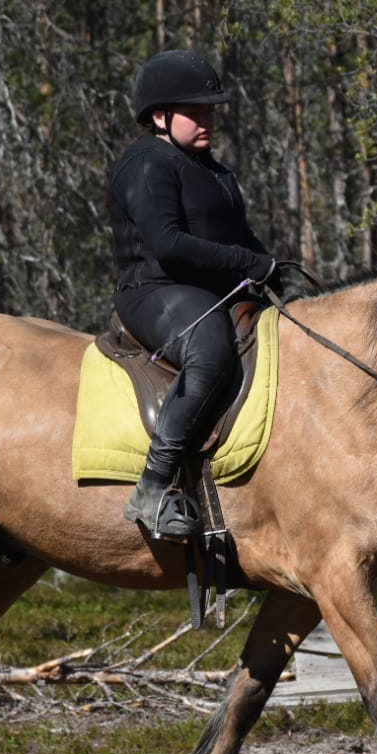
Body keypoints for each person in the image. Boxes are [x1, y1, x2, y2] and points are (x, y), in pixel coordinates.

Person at [108, 49, 276, 540]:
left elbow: (238, 237)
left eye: (212, 110)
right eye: (196, 111)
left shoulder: (210, 167)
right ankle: (153, 489)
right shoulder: (146, 165)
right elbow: (168, 244)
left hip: (210, 292)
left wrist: (271, 269)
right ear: (159, 116)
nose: (209, 119)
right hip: (156, 290)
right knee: (210, 352)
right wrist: (248, 264)